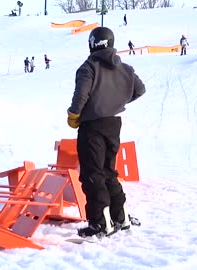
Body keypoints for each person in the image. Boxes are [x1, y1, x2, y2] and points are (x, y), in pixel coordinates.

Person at [67, 26, 145, 238]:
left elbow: (80, 96)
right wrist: (115, 101)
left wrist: (74, 115)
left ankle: (101, 224)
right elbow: (140, 89)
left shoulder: (89, 67)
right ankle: (121, 217)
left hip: (92, 126)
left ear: (92, 43)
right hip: (113, 124)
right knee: (109, 172)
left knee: (93, 174)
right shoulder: (124, 68)